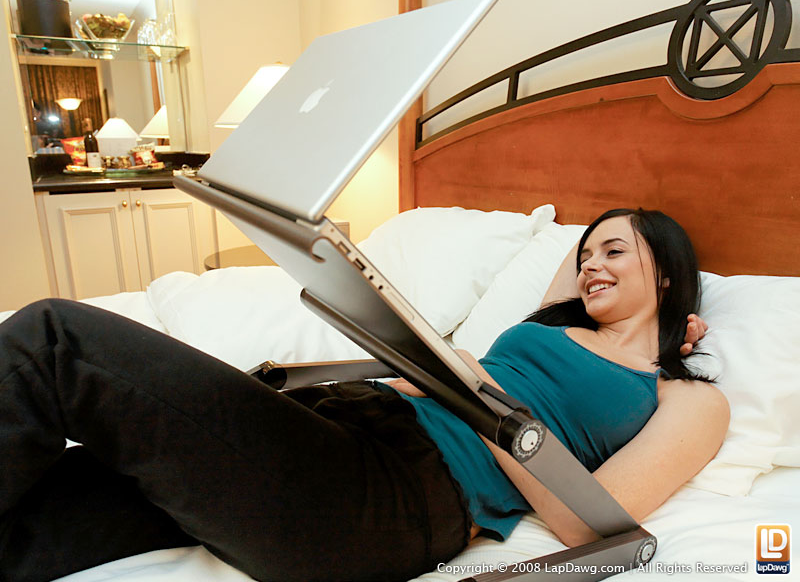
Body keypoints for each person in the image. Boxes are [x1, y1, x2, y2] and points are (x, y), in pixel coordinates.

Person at [0, 208, 726, 582]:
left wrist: (476, 391)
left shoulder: (685, 395)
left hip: (395, 493)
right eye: (588, 252)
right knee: (37, 516)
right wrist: (437, 372)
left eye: (615, 251)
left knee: (56, 340)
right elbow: (570, 255)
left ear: (667, 271)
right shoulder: (552, 323)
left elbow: (592, 525)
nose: (592, 264)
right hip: (341, 422)